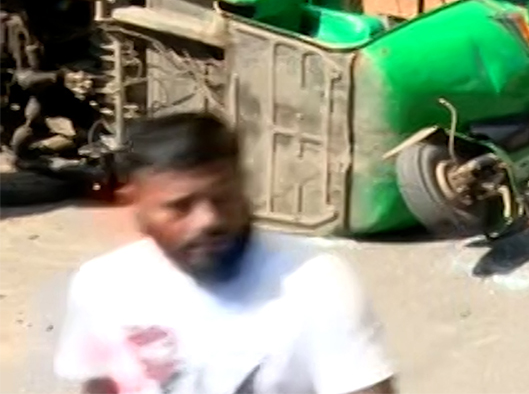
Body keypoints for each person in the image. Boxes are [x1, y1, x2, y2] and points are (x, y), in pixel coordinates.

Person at [54, 112, 395, 393]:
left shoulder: (315, 284)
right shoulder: (102, 287)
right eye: (181, 207)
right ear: (136, 206)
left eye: (223, 198)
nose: (209, 220)